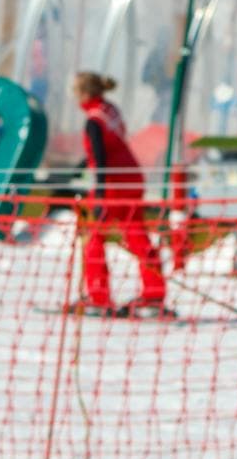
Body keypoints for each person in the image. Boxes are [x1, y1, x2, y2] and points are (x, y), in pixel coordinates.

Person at [65, 72, 168, 317]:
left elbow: (100, 157)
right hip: (131, 178)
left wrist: (99, 194)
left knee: (94, 235)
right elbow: (109, 147)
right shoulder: (109, 109)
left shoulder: (92, 119)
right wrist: (81, 167)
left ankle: (98, 297)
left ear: (84, 94)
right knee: (136, 233)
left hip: (113, 184)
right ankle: (154, 295)